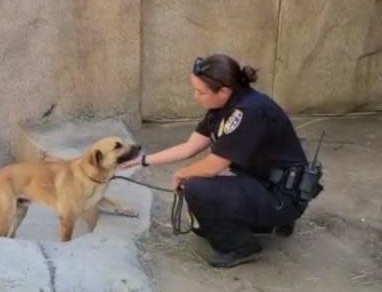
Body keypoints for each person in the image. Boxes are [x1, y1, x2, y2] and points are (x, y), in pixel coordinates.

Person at [121, 54, 317, 268]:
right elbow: (189, 147)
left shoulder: (249, 111)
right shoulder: (223, 107)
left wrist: (182, 174)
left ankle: (241, 247)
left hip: (282, 197)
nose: (196, 96)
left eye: (201, 92)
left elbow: (214, 166)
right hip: (266, 185)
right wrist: (143, 160)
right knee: (202, 226)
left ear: (223, 90)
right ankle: (267, 224)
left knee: (196, 188)